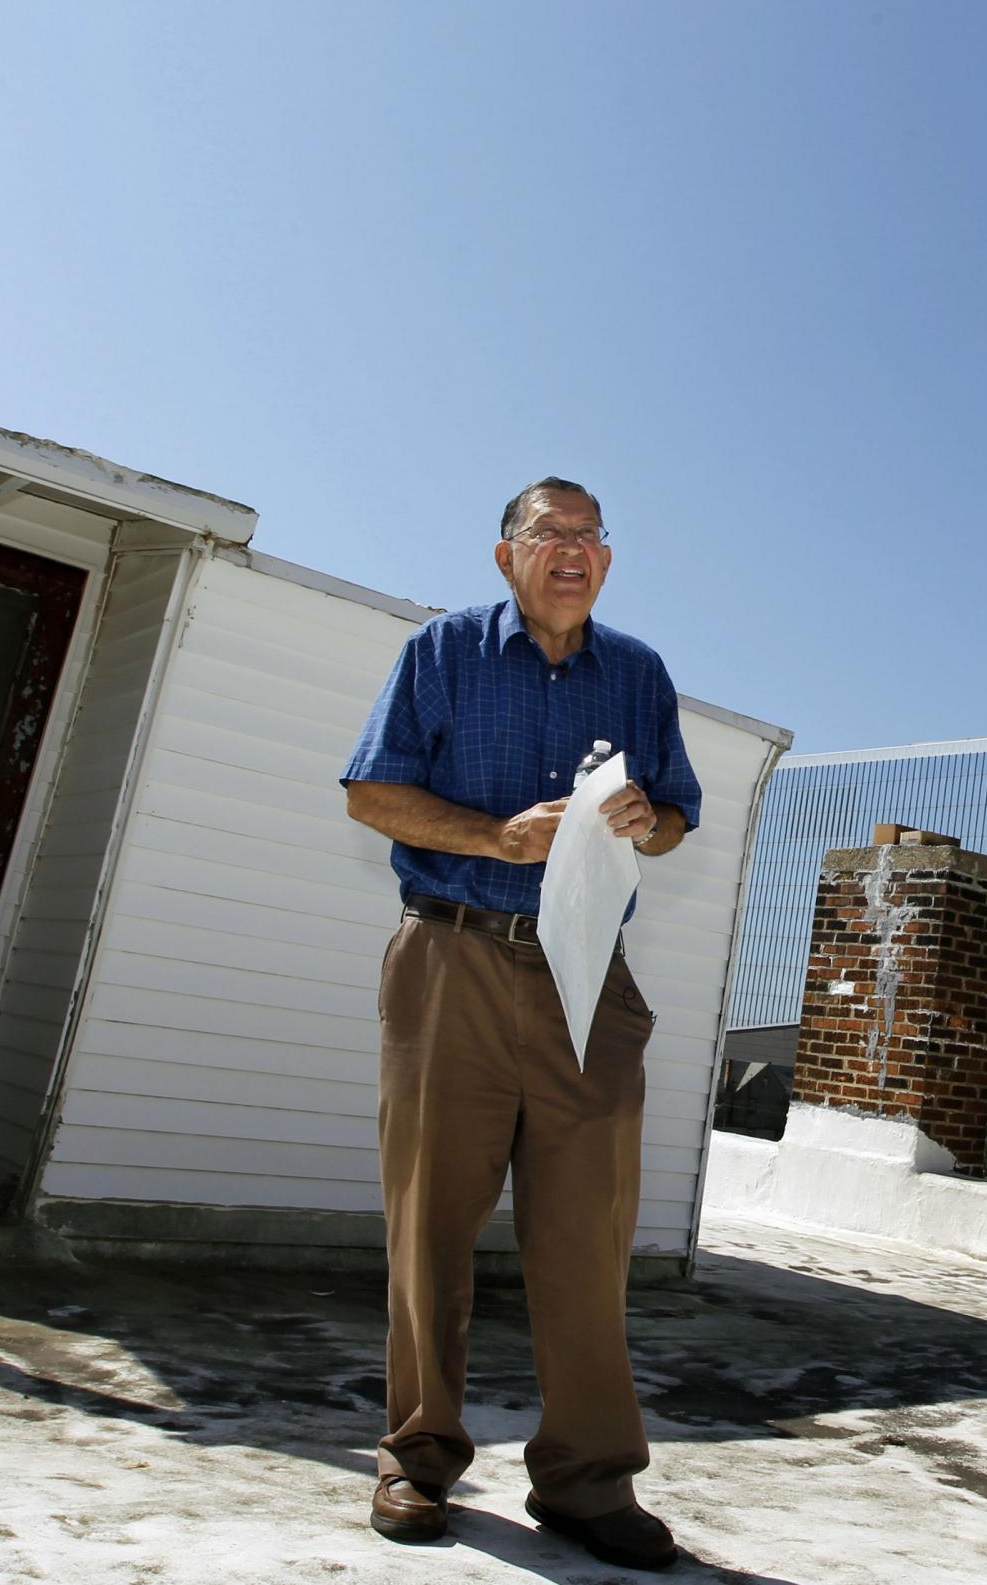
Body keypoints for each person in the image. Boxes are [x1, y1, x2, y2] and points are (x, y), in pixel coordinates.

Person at [339, 476, 699, 1572]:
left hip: (585, 975)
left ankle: (588, 1481)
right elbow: (371, 792)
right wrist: (498, 837)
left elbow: (677, 812)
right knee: (431, 1217)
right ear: (507, 555)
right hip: (449, 955)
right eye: (553, 535)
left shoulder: (637, 673)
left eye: (593, 537)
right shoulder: (442, 651)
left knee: (587, 1232)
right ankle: (418, 1453)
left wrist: (650, 817)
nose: (576, 553)